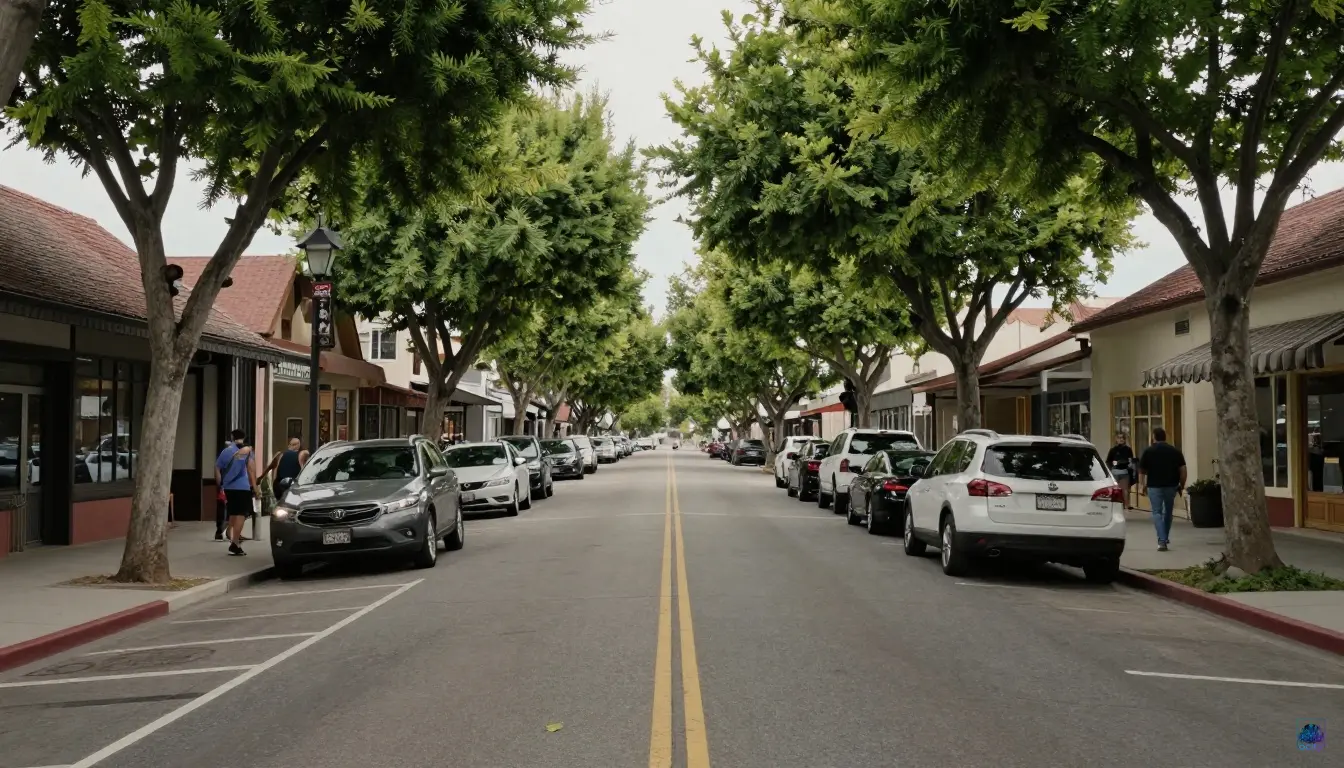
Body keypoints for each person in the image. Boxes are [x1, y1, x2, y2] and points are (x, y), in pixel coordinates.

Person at [1138, 427, 1187, 552]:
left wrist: (1142, 485)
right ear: (1165, 437)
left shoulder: (1148, 451)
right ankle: (1165, 537)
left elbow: (1142, 471)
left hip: (1154, 486)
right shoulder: (1175, 451)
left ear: (1154, 437)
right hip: (1171, 485)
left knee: (1157, 512)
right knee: (1168, 512)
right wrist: (1181, 485)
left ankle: (1162, 540)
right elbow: (1183, 471)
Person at [215, 429, 259, 556]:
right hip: (242, 487)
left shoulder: (226, 451)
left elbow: (217, 467)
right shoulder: (247, 451)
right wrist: (255, 487)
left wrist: (220, 485)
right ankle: (235, 543)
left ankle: (230, 533)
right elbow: (251, 470)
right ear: (244, 437)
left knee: (233, 511)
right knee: (241, 514)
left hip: (228, 487)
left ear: (232, 437)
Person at [1106, 433, 1135, 508]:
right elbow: (1108, 461)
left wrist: (1130, 465)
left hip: (1124, 471)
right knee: (1116, 489)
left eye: (1122, 438)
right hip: (1115, 472)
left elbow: (1130, 460)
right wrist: (1111, 469)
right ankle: (1117, 505)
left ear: (1125, 439)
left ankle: (1127, 504)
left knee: (1125, 489)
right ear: (1116, 439)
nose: (1121, 439)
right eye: (1119, 438)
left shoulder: (1128, 449)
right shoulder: (1113, 450)